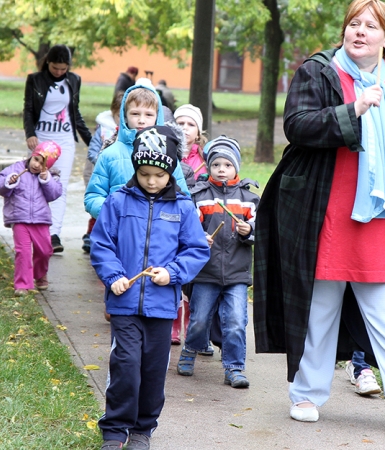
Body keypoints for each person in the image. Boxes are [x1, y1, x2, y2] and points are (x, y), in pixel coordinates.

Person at [252, 0, 385, 432]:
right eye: (353, 24)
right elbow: (296, 125)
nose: (360, 32)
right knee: (321, 307)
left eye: (370, 26)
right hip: (327, 211)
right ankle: (306, 394)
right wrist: (351, 110)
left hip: (383, 215)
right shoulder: (318, 71)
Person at [90, 126, 209, 450]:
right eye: (144, 174)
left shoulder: (183, 207)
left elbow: (197, 250)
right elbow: (101, 244)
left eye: (159, 174)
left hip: (161, 306)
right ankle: (115, 430)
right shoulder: (117, 201)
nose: (152, 181)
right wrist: (113, 275)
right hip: (124, 302)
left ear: (170, 170)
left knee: (154, 371)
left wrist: (171, 273)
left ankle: (143, 429)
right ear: (136, 169)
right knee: (125, 365)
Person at [176, 136, 259, 389]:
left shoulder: (248, 199)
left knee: (235, 321)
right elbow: (188, 228)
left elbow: (261, 229)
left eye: (227, 164)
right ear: (209, 167)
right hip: (206, 272)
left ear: (237, 168)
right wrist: (199, 238)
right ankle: (191, 348)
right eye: (215, 165)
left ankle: (234, 367)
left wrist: (250, 230)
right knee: (200, 318)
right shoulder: (200, 197)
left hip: (236, 273)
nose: (221, 169)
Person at [84, 78, 190, 221]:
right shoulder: (109, 154)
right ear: (124, 116)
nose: (141, 120)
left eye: (148, 114)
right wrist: (113, 213)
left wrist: (166, 220)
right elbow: (93, 196)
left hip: (158, 234)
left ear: (157, 117)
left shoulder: (167, 154)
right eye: (135, 114)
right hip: (119, 233)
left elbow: (183, 197)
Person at [23, 44, 92, 254]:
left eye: (63, 68)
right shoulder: (35, 79)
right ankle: (36, 231)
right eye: (55, 68)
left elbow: (75, 112)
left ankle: (54, 235)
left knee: (59, 187)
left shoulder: (74, 80)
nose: (59, 72)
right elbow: (28, 109)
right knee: (36, 185)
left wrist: (91, 141)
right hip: (41, 140)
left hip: (64, 141)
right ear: (48, 63)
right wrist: (30, 134)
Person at [0, 141, 62, 296]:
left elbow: (55, 194)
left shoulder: (51, 176)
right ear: (32, 155)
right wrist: (8, 182)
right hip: (19, 217)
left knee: (44, 251)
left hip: (41, 219)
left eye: (42, 164)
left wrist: (47, 180)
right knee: (22, 251)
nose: (37, 165)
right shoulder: (16, 169)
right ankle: (23, 285)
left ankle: (39, 274)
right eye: (36, 159)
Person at [170, 104, 209, 345]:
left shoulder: (205, 160)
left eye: (190, 124)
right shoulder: (169, 152)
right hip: (172, 224)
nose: (185, 128)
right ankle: (173, 326)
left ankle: (192, 328)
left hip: (198, 225)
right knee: (175, 277)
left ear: (199, 131)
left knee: (194, 282)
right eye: (180, 123)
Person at [82, 92, 124, 253]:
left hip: (117, 177)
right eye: (118, 116)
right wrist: (103, 161)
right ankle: (91, 233)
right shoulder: (103, 130)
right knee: (99, 203)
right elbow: (92, 151)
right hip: (99, 174)